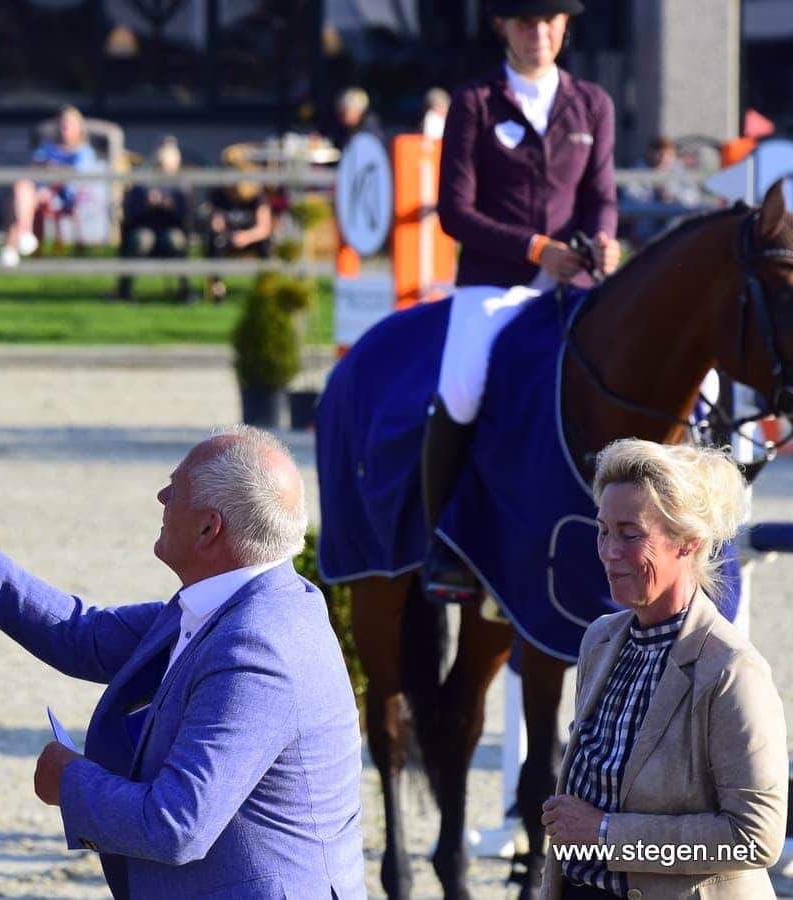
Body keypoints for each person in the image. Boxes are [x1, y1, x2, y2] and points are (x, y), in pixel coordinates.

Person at [0, 427, 366, 898]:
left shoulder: (255, 647)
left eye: (177, 489)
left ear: (209, 528)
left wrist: (69, 780)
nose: (162, 496)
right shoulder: (235, 601)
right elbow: (78, 635)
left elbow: (176, 824)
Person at [423, 0, 620, 600]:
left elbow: (601, 195)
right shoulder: (475, 103)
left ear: (565, 26)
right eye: (526, 22)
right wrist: (536, 249)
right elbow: (456, 212)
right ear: (502, 27)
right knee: (460, 387)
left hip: (574, 283)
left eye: (551, 20)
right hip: (493, 284)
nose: (540, 33)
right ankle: (445, 545)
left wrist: (605, 240)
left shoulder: (593, 103)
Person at [542, 439, 787, 899]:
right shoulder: (600, 639)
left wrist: (605, 833)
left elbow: (754, 838)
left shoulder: (733, 670)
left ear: (688, 542)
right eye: (602, 530)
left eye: (630, 534)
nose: (609, 551)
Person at [0, 105, 97, 268]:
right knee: (22, 187)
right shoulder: (49, 146)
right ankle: (24, 233)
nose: (65, 128)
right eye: (62, 124)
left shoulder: (84, 151)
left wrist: (53, 172)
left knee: (20, 199)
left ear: (79, 127)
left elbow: (77, 177)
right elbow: (35, 165)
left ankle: (12, 246)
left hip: (65, 195)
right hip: (41, 190)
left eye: (69, 124)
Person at [113, 137, 191, 302]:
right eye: (161, 165)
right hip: (144, 226)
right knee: (141, 239)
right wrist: (145, 204)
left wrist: (170, 206)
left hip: (170, 229)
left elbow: (185, 216)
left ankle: (185, 290)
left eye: (169, 167)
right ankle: (124, 290)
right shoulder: (141, 184)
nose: (164, 170)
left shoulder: (181, 186)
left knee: (174, 240)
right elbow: (129, 213)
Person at [202, 183, 274, 302]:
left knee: (265, 244)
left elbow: (264, 228)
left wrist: (246, 237)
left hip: (252, 238)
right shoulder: (219, 195)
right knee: (216, 241)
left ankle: (266, 286)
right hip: (228, 237)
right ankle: (217, 287)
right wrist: (230, 234)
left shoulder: (257, 197)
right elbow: (216, 224)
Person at [325, 87, 381, 151]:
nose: (340, 117)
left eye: (343, 112)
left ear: (356, 110)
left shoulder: (365, 136)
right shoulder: (348, 128)